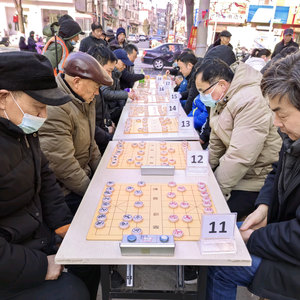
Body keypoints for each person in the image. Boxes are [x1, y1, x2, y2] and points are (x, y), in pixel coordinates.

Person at [0, 51, 98, 299]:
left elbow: (47, 182)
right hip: (13, 258)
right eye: (38, 107)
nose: (43, 117)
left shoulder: (22, 132)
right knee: (73, 292)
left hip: (35, 236)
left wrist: (64, 225)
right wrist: (41, 266)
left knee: (89, 253)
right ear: (3, 98)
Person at [206, 51, 300, 300]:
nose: (276, 123)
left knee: (223, 262)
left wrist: (255, 236)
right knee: (216, 238)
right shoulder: (293, 138)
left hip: (293, 258)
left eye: (282, 114)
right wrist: (264, 207)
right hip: (280, 231)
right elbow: (277, 171)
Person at [194, 58, 281, 219]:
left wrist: (215, 191)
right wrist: (203, 170)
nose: (201, 97)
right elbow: (216, 141)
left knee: (204, 213)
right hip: (238, 171)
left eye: (203, 91)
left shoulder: (250, 100)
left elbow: (240, 156)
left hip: (255, 179)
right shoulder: (222, 97)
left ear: (221, 84)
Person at [38, 52, 113, 215]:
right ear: (77, 82)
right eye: (95, 87)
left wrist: (104, 172)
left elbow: (90, 142)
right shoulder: (55, 107)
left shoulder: (83, 99)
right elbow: (64, 165)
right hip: (66, 191)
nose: (96, 93)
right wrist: (92, 192)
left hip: (83, 176)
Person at [87, 45, 118, 154]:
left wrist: (108, 122)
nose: (110, 77)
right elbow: (89, 126)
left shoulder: (98, 87)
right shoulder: (86, 90)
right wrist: (109, 138)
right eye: (108, 71)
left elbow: (102, 110)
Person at [101, 48, 136, 125]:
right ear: (116, 61)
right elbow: (105, 93)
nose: (124, 67)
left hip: (114, 108)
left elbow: (117, 91)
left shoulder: (117, 73)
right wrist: (126, 94)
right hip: (109, 112)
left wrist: (124, 107)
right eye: (123, 64)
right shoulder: (109, 73)